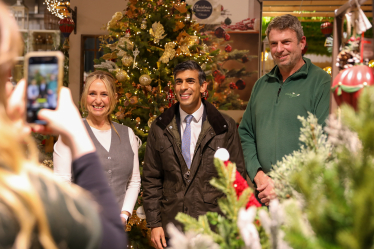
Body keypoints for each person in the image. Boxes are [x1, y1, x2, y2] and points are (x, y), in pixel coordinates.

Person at [0, 1, 126, 248]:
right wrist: (77, 134)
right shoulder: (19, 194)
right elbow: (110, 241)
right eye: (7, 75)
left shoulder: (127, 134)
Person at [142, 60, 246, 249]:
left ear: (203, 86)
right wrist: (154, 223)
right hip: (172, 227)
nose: (184, 87)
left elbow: (236, 177)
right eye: (179, 82)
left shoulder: (224, 126)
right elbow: (152, 178)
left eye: (190, 81)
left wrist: (234, 223)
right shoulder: (160, 127)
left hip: (213, 226)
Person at [238, 14, 331, 206]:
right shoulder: (261, 85)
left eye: (286, 42)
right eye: (274, 43)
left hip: (302, 200)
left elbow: (323, 143)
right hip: (262, 195)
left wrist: (283, 185)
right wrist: (259, 175)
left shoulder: (322, 83)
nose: (279, 49)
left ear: (302, 42)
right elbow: (245, 133)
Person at [53, 70, 141, 225]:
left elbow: (134, 181)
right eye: (92, 93)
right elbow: (62, 182)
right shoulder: (70, 132)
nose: (98, 100)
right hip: (81, 226)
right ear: (85, 97)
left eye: (104, 94)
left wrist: (124, 215)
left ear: (113, 98)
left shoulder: (128, 134)